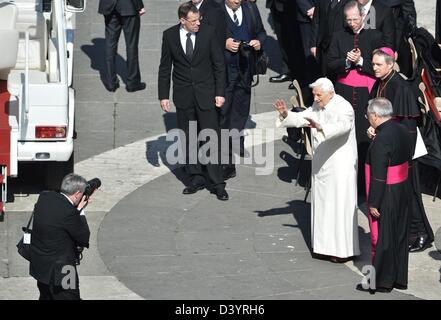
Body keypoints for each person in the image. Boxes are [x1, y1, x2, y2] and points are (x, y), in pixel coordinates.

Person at [274, 77, 360, 262]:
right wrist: (285, 114)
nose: (316, 98)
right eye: (314, 94)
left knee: (338, 207)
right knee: (323, 206)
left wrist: (321, 126)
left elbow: (342, 127)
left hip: (340, 165)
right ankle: (323, 246)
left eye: (318, 95)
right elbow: (303, 117)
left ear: (330, 93)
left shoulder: (344, 107)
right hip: (322, 163)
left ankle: (341, 251)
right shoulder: (317, 105)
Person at [158, 2, 229, 201]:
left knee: (211, 137)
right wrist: (163, 95)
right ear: (182, 20)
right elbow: (165, 67)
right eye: (193, 21)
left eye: (199, 19)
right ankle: (196, 177)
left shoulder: (208, 32)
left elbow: (218, 64)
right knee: (188, 137)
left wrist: (220, 92)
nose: (198, 23)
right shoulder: (170, 35)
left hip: (206, 94)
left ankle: (217, 183)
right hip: (183, 95)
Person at [370, 48, 435, 252]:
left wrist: (394, 147)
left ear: (390, 65)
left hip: (404, 149)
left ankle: (422, 234)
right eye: (373, 64)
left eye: (378, 64)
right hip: (391, 146)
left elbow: (408, 126)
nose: (374, 68)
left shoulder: (400, 87)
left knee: (412, 193)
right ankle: (411, 232)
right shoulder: (381, 82)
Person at [327, 0, 382, 196]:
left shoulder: (375, 37)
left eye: (355, 19)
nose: (352, 23)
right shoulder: (338, 37)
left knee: (362, 139)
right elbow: (330, 64)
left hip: (365, 94)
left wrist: (360, 61)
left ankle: (362, 186)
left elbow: (379, 69)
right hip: (344, 92)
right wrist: (346, 62)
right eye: (348, 20)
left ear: (363, 17)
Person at [359, 97, 413, 293]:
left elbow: (379, 175)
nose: (368, 119)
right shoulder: (401, 128)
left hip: (387, 191)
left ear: (374, 115)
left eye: (368, 116)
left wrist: (374, 202)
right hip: (402, 187)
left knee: (384, 239)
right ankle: (399, 279)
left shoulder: (382, 139)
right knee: (399, 235)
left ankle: (381, 282)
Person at [221, 0, 267, 180]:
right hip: (225, 68)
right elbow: (208, 34)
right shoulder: (217, 10)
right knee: (225, 107)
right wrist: (224, 43)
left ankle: (236, 137)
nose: (237, 1)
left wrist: (258, 42)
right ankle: (224, 145)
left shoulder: (250, 8)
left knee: (242, 105)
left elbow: (261, 32)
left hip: (246, 66)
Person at [29, 174, 91, 300]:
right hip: (64, 270)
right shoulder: (69, 212)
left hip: (41, 269)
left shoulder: (44, 197)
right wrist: (80, 210)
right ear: (78, 194)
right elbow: (84, 238)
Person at [98, 0, 146, 92]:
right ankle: (133, 83)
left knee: (110, 44)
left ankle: (111, 82)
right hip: (129, 5)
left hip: (109, 6)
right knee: (131, 44)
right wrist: (139, 5)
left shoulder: (85, 48)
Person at [310, 0, 349, 78]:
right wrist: (313, 44)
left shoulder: (350, 2)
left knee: (340, 76)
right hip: (324, 46)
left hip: (341, 47)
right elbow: (316, 21)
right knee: (325, 74)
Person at [266, 0, 294, 83]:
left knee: (294, 41)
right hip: (275, 4)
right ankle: (287, 71)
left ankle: (298, 75)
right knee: (282, 40)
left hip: (290, 5)